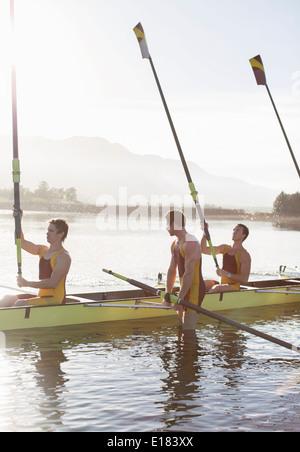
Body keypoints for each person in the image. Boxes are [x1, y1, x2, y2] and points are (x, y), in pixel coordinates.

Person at [0, 210, 71, 307]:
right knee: (6, 298)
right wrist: (18, 220)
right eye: (47, 230)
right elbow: (20, 242)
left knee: (20, 303)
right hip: (41, 297)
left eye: (51, 231)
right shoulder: (42, 250)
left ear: (61, 234)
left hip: (55, 300)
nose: (47, 233)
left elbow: (52, 283)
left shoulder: (63, 257)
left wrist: (27, 283)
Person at [163, 210, 206, 330]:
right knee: (181, 328)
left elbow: (189, 273)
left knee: (188, 329)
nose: (166, 228)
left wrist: (179, 299)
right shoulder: (175, 243)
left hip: (194, 290)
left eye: (167, 224)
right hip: (183, 289)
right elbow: (172, 270)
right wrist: (168, 294)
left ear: (173, 224)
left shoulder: (191, 242)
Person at [201, 223, 251, 293]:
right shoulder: (224, 248)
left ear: (243, 235)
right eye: (234, 230)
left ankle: (203, 302)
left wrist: (226, 274)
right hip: (222, 285)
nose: (234, 232)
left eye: (237, 230)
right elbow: (204, 250)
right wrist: (204, 233)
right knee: (202, 284)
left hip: (234, 287)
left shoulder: (244, 255)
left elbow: (244, 279)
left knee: (216, 288)